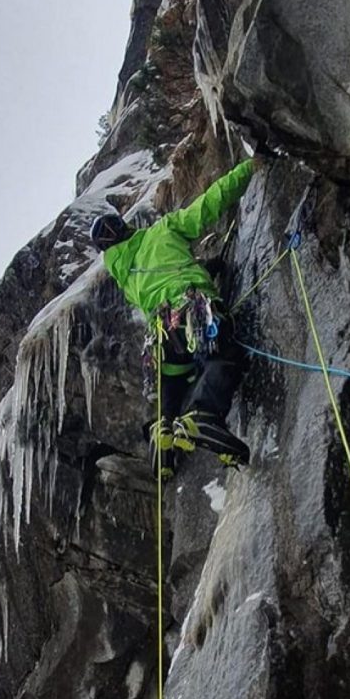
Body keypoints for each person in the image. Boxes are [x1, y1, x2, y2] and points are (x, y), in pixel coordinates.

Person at [90, 158, 256, 479]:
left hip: (162, 338)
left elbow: (159, 283)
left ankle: (163, 431)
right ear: (127, 228)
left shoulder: (123, 275)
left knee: (175, 377)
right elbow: (209, 204)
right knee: (223, 354)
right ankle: (205, 414)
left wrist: (203, 268)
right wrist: (249, 168)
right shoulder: (160, 231)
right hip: (190, 309)